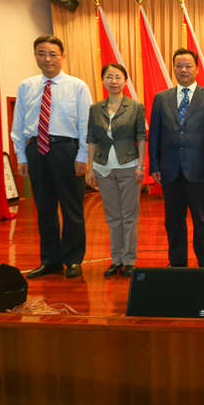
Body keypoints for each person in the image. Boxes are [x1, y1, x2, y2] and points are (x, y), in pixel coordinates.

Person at [11, 35, 92, 279]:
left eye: (52, 54)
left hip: (67, 150)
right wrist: (21, 156)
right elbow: (18, 123)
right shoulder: (26, 86)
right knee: (44, 209)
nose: (47, 58)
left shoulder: (77, 86)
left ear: (62, 57)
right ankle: (50, 260)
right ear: (35, 56)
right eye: (41, 53)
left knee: (71, 208)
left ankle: (73, 260)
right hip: (36, 150)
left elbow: (86, 124)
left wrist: (82, 156)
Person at [148, 48, 204, 268]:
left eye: (188, 66)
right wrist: (154, 165)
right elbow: (155, 135)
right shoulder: (161, 98)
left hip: (200, 169)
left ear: (197, 69)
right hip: (169, 170)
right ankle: (177, 264)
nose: (183, 69)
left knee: (202, 220)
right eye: (179, 65)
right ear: (173, 68)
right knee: (173, 221)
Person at [86, 63, 147, 278]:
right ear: (103, 80)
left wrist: (140, 165)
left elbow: (141, 137)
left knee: (129, 216)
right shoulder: (95, 109)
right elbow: (91, 139)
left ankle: (129, 260)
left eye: (118, 77)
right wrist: (90, 168)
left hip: (129, 166)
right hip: (102, 168)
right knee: (113, 217)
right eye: (109, 76)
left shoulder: (135, 106)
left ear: (125, 81)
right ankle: (116, 260)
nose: (114, 81)